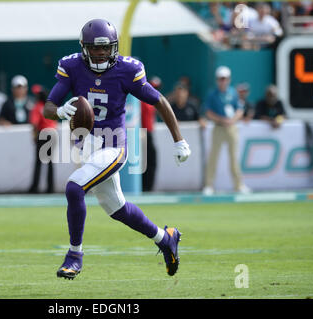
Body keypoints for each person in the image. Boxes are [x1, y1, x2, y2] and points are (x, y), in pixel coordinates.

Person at [43, 19, 191, 280]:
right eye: (94, 49)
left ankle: (74, 256)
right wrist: (60, 111)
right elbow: (48, 106)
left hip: (113, 146)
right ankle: (165, 238)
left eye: (105, 48)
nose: (100, 54)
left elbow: (160, 101)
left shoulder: (127, 70)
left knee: (74, 187)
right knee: (117, 208)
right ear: (84, 48)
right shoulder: (72, 66)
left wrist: (178, 140)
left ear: (114, 48)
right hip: (88, 146)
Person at [203, 66, 250, 195]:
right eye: (220, 79)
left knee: (234, 157)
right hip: (218, 128)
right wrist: (221, 120)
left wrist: (232, 120)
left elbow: (240, 110)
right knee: (213, 157)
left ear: (228, 79)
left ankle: (238, 185)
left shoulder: (233, 93)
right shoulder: (212, 94)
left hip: (231, 128)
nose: (222, 81)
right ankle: (209, 185)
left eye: (224, 79)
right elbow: (208, 112)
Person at [28, 84, 57, 194]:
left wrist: (34, 136)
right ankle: (50, 188)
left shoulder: (37, 107)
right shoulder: (50, 107)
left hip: (43, 133)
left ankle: (35, 187)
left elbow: (34, 124)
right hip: (52, 133)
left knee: (39, 162)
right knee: (50, 162)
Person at [140, 76, 161, 192]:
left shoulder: (150, 101)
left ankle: (149, 187)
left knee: (150, 161)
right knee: (147, 161)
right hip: (144, 132)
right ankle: (146, 187)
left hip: (149, 132)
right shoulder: (143, 100)